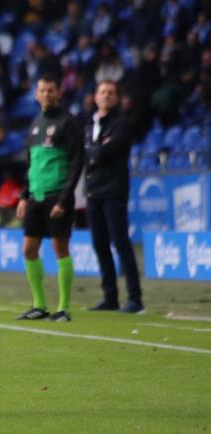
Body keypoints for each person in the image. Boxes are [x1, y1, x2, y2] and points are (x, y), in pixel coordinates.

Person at [16, 75, 84, 322]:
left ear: (59, 93)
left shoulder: (69, 124)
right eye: (42, 90)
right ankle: (40, 305)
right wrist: (24, 196)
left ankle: (63, 308)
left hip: (57, 197)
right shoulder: (35, 125)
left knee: (59, 248)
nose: (46, 94)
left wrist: (64, 200)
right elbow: (31, 165)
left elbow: (76, 164)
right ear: (36, 94)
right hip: (35, 197)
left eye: (51, 90)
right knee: (29, 249)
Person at [84, 80, 144, 314]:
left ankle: (135, 299)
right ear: (95, 96)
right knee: (100, 245)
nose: (106, 96)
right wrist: (96, 151)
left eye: (111, 92)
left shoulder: (121, 124)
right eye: (102, 92)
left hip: (114, 191)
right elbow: (88, 151)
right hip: (93, 191)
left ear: (117, 98)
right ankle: (110, 297)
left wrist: (95, 151)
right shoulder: (90, 124)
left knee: (121, 244)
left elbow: (104, 151)